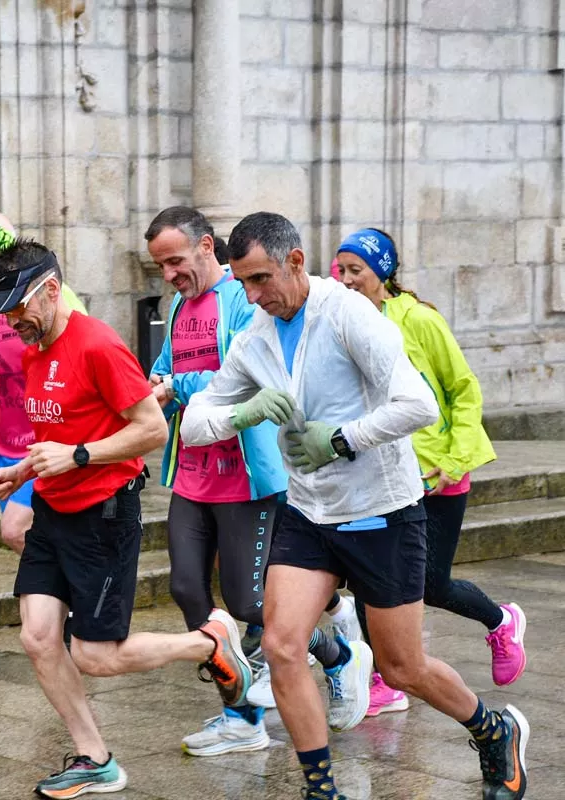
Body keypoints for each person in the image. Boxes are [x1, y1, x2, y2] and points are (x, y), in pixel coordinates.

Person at [180, 212, 529, 800]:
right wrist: (241, 414)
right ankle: (323, 790)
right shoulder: (254, 338)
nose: (253, 295)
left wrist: (340, 439)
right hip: (309, 514)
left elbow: (418, 405)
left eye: (261, 279)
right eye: (241, 282)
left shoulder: (347, 314)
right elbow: (193, 424)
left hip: (381, 511)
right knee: (282, 644)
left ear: (296, 262)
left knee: (402, 668)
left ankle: (494, 732)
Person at [0, 239, 248, 799]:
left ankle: (209, 642)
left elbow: (149, 428)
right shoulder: (33, 351)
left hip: (103, 514)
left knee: (95, 655)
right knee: (37, 637)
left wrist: (78, 455)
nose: (10, 321)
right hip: (54, 509)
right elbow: (60, 433)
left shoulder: (97, 343)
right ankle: (95, 758)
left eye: (16, 307)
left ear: (51, 290)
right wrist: (23, 472)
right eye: (1, 310)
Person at [143, 206, 370, 756]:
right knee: (187, 591)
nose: (170, 276)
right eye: (160, 267)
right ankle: (239, 715)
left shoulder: (242, 300)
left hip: (248, 475)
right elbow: (168, 364)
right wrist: (159, 379)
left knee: (248, 604)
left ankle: (338, 654)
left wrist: (175, 385)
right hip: (194, 471)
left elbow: (242, 372)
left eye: (175, 261)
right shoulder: (178, 304)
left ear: (206, 248)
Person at [335, 227, 526, 717]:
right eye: (342, 270)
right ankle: (384, 680)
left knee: (431, 585)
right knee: (366, 579)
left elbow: (463, 390)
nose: (348, 279)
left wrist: (453, 460)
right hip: (379, 476)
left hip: (437, 474)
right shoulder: (342, 320)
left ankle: (501, 620)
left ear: (383, 273)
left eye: (357, 270)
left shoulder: (419, 320)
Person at [0, 211, 85, 553]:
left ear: (2, 247)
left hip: (50, 437)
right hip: (5, 443)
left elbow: (82, 348)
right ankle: (67, 597)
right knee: (33, 534)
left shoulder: (49, 293)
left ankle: (77, 585)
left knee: (15, 530)